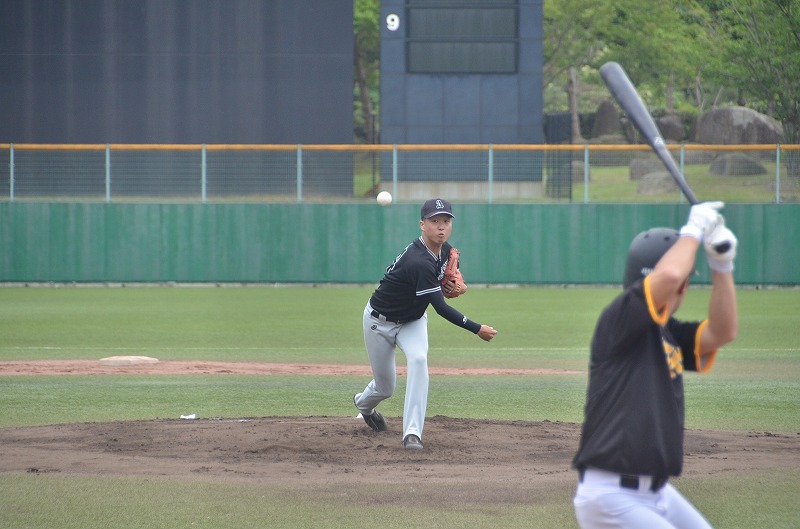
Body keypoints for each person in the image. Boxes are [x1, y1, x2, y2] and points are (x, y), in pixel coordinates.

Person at [572, 201, 739, 529]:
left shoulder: (667, 332)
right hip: (611, 496)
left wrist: (722, 266)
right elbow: (671, 274)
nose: (685, 285)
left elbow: (723, 332)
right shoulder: (619, 319)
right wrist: (693, 230)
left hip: (658, 491)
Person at [353, 197, 498, 450]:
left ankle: (412, 433)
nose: (441, 226)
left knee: (419, 360)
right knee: (385, 388)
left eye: (446, 221)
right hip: (380, 322)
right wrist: (477, 328)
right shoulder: (418, 261)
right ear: (422, 224)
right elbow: (441, 308)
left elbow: (451, 279)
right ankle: (364, 405)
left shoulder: (446, 251)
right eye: (434, 221)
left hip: (413, 320)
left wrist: (457, 285)